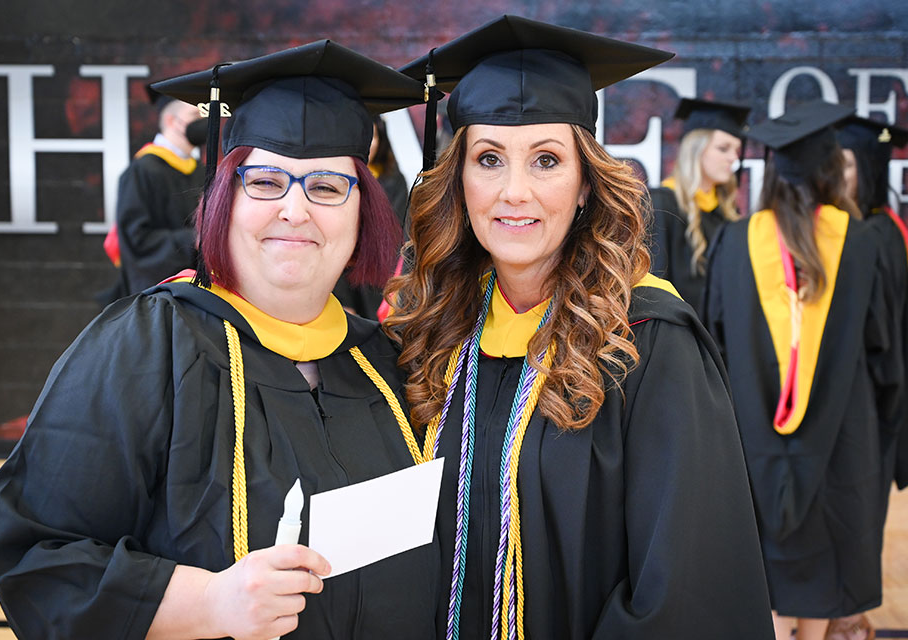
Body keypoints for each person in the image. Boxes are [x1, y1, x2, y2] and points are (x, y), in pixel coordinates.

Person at [0, 41, 437, 640]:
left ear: (365, 214)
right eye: (266, 181)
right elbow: (38, 558)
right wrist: (209, 601)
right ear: (224, 199)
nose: (295, 211)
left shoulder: (386, 361)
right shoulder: (146, 346)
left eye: (328, 187)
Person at [388, 15, 775, 639]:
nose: (515, 192)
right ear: (458, 181)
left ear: (586, 184)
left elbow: (681, 589)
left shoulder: (647, 343)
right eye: (489, 159)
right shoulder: (438, 334)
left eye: (546, 160)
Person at [703, 100, 906, 640]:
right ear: (828, 173)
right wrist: (889, 427)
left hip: (754, 442)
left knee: (764, 576)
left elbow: (715, 346)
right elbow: (885, 353)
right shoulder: (863, 242)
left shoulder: (735, 241)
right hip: (843, 444)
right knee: (823, 575)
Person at [828, 115, 908, 640]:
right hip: (875, 397)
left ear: (870, 171)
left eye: (848, 164)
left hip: (873, 399)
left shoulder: (871, 236)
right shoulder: (887, 227)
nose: (837, 174)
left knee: (857, 512)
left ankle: (848, 620)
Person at [648, 97, 750, 310]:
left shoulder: (727, 213)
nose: (733, 158)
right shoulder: (661, 204)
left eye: (736, 151)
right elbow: (654, 288)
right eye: (723, 148)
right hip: (680, 335)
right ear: (696, 150)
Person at [113, 87, 207, 299]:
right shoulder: (143, 171)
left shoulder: (199, 170)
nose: (203, 122)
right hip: (158, 293)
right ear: (174, 122)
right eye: (196, 115)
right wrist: (193, 239)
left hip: (198, 289)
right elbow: (137, 240)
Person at [333, 115, 410, 319]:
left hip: (381, 275)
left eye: (374, 136)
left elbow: (395, 235)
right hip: (344, 275)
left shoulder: (393, 180)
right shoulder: (335, 182)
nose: (369, 144)